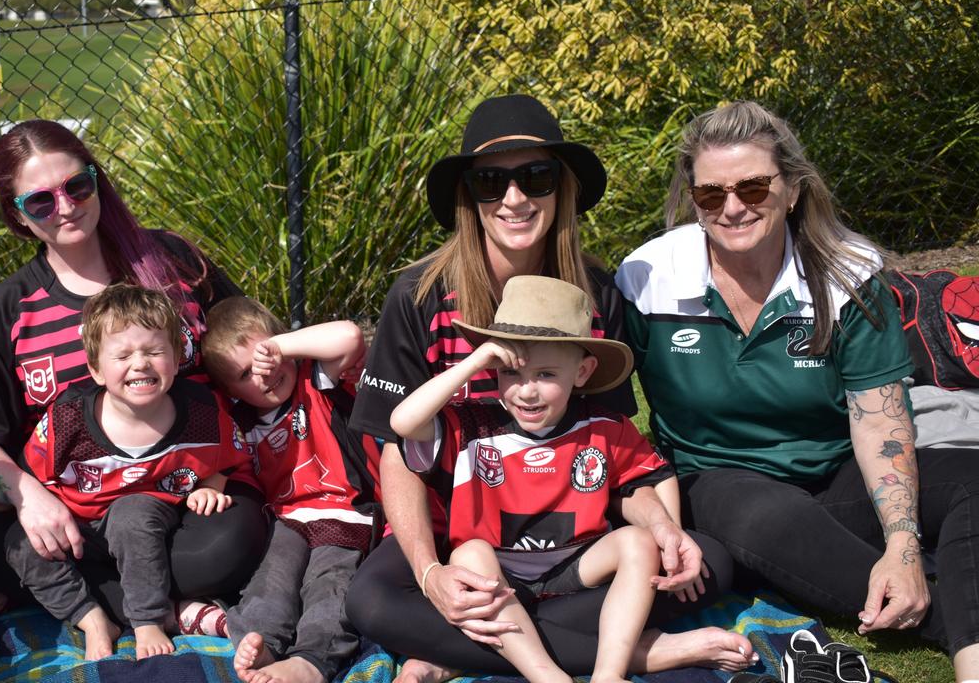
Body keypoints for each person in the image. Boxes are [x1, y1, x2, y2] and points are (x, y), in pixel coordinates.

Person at [346, 94, 753, 682]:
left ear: (561, 188)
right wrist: (432, 574)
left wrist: (664, 531)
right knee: (373, 601)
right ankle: (647, 651)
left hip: (571, 532)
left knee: (703, 562)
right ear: (469, 196)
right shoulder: (419, 295)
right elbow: (397, 447)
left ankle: (457, 647)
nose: (514, 199)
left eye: (535, 177)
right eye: (491, 182)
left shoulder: (593, 294)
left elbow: (613, 453)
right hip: (459, 531)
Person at [615, 100, 979, 681]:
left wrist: (903, 543)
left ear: (792, 190)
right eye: (711, 194)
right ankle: (936, 614)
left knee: (972, 479)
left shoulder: (848, 275)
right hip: (714, 482)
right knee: (764, 517)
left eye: (753, 189)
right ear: (693, 199)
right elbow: (607, 409)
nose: (732, 208)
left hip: (833, 474)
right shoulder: (647, 277)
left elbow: (880, 422)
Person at [0, 120, 268, 617]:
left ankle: (82, 599)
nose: (65, 207)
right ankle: (158, 605)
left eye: (77, 186)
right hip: (74, 507)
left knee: (226, 547)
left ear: (96, 181)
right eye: (40, 201)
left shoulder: (170, 260)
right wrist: (25, 495)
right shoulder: (9, 309)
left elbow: (243, 341)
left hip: (188, 490)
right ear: (18, 217)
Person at [389, 276, 697, 683]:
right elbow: (402, 422)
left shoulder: (604, 427)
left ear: (583, 372)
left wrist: (665, 530)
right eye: (511, 373)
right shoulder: (468, 425)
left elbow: (646, 481)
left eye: (547, 374)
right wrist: (475, 361)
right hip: (496, 573)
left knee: (640, 542)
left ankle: (610, 673)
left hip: (575, 566)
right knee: (468, 555)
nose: (527, 391)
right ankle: (548, 677)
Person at [6, 285, 252, 660]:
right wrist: (3, 497)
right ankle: (90, 619)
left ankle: (148, 621)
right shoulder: (66, 420)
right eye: (122, 355)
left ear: (176, 356)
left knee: (132, 513)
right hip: (76, 528)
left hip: (150, 525)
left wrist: (211, 484)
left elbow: (233, 455)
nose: (140, 363)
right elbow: (30, 473)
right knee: (19, 541)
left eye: (154, 351)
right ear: (96, 369)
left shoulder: (201, 413)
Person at [202, 296, 381, 683]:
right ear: (229, 390)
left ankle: (312, 660)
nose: (264, 372)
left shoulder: (315, 381)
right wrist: (209, 487)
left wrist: (281, 347)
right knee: (272, 580)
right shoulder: (241, 421)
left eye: (266, 355)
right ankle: (262, 643)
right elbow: (225, 466)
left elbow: (349, 336)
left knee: (329, 583)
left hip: (346, 512)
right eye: (246, 373)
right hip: (286, 520)